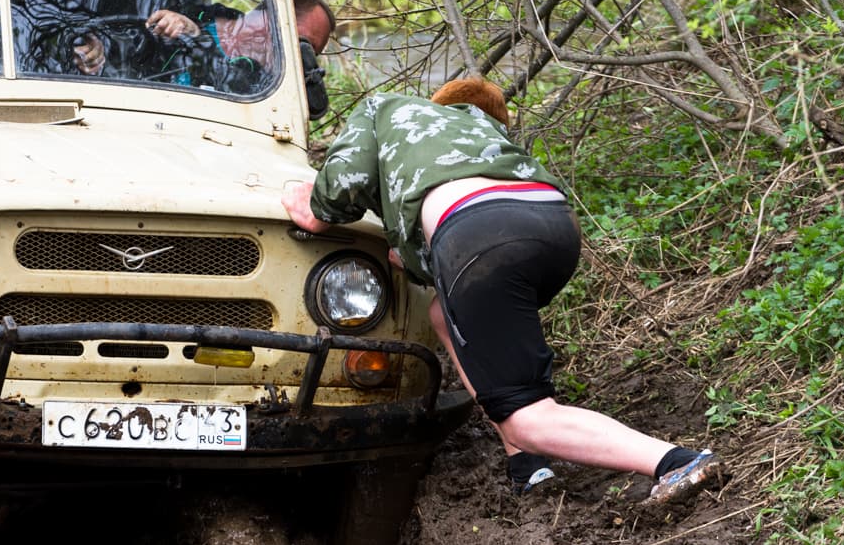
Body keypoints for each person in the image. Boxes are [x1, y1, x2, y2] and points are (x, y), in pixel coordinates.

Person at [280, 77, 724, 504]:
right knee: (442, 313)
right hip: (554, 225)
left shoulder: (387, 108)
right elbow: (438, 259)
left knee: (529, 418)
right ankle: (527, 464)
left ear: (436, 105)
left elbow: (343, 185)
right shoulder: (483, 130)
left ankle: (675, 461)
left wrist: (316, 207)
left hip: (481, 234)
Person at [74, 0, 335, 93]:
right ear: (276, 20)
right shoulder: (176, 4)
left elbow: (232, 87)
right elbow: (117, 30)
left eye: (308, 54)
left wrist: (196, 38)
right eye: (304, 46)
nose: (302, 58)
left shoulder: (265, 86)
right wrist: (100, 47)